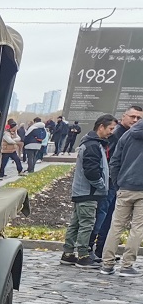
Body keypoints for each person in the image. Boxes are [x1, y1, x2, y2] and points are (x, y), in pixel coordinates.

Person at [60, 114, 114, 267]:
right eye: (110, 128)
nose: (111, 132)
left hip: (82, 192)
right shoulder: (93, 145)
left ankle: (68, 253)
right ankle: (83, 256)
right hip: (89, 193)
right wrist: (102, 186)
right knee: (86, 224)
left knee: (76, 223)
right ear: (101, 127)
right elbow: (91, 171)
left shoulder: (90, 143)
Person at [92, 104, 143, 261]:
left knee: (113, 223)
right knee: (109, 219)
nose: (135, 120)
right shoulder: (118, 134)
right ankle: (103, 253)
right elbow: (111, 160)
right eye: (132, 116)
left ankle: (105, 256)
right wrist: (115, 182)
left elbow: (114, 161)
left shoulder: (126, 134)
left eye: (138, 118)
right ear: (123, 116)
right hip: (115, 185)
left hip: (120, 185)